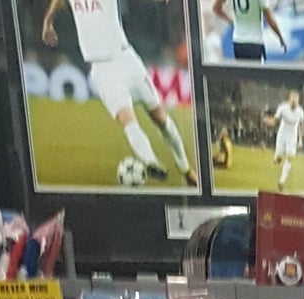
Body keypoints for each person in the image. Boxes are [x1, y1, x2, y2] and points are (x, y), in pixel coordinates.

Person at [40, 0, 194, 185]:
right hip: (102, 69)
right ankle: (151, 161)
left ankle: (185, 168)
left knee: (160, 117)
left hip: (126, 59)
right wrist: (48, 20)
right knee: (126, 118)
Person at [210, 0, 287, 62]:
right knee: (257, 75)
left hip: (238, 42)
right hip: (255, 42)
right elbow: (269, 18)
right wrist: (280, 37)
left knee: (243, 74)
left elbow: (216, 8)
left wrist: (232, 22)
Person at [267, 85, 304, 191]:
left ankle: (281, 181)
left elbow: (301, 125)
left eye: (296, 99)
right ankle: (277, 158)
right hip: (282, 134)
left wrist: (300, 139)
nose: (294, 100)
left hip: (292, 136)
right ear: (289, 99)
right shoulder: (283, 107)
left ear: (298, 100)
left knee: (289, 157)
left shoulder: (300, 111)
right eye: (292, 98)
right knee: (278, 158)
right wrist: (267, 121)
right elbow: (274, 121)